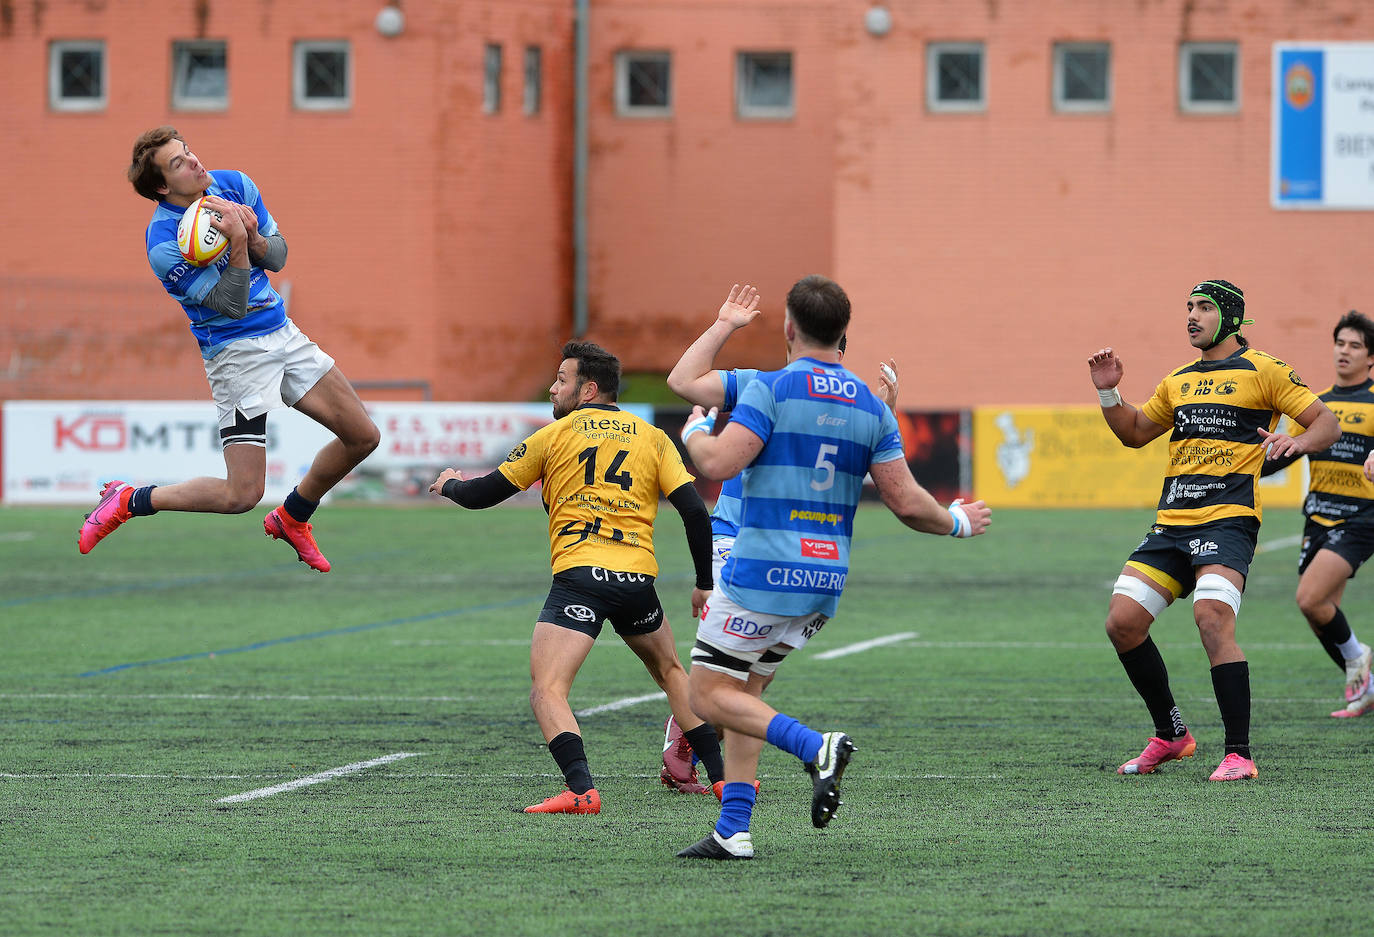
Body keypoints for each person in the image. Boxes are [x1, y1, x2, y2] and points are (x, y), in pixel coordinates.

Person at [674, 275, 989, 859]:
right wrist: (959, 521)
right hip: (823, 584)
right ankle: (733, 829)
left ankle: (817, 746)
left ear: (790, 327)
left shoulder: (769, 388)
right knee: (749, 692)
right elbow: (907, 502)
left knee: (707, 696)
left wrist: (696, 423)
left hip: (763, 573)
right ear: (845, 333)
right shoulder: (871, 407)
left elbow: (699, 418)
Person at [429, 340, 725, 814]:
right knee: (671, 673)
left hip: (580, 579)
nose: (552, 388)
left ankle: (582, 790)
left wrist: (449, 484)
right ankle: (723, 782)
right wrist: (703, 581)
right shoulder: (651, 436)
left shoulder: (555, 435)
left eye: (561, 380)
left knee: (547, 689)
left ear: (588, 389)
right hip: (636, 584)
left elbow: (483, 494)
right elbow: (694, 510)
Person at [81, 127, 380, 572]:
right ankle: (130, 498)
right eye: (179, 163)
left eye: (188, 152)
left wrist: (253, 238)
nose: (195, 161)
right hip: (234, 355)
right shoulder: (164, 244)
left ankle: (293, 516)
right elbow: (231, 306)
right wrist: (238, 245)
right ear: (162, 186)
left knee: (363, 436)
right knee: (241, 495)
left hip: (282, 332)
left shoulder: (234, 185)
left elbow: (277, 257)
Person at [1087, 279, 1340, 783]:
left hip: (1228, 519)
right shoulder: (1179, 378)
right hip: (1172, 522)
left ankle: (1239, 754)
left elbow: (1326, 424)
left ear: (1230, 317)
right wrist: (1109, 390)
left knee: (1211, 617)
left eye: (1203, 308)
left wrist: (1297, 443)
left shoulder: (1264, 369)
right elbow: (1136, 433)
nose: (1192, 316)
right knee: (1122, 622)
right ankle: (1172, 734)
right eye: (1188, 307)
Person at [658, 282, 899, 797]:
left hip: (784, 557)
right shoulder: (764, 388)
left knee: (747, 685)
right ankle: (695, 742)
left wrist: (884, 418)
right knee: (730, 684)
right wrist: (723, 324)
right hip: (742, 545)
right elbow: (682, 380)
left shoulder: (826, 400)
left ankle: (732, 818)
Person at [1260, 311, 1374, 717]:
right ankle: (1365, 686)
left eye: (1355, 345)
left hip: (1361, 519)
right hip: (1318, 518)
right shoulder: (1319, 404)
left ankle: (1361, 661)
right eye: (1340, 343)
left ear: (1370, 358)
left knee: (1309, 599)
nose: (1344, 351)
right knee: (1323, 615)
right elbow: (1290, 451)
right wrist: (1251, 460)